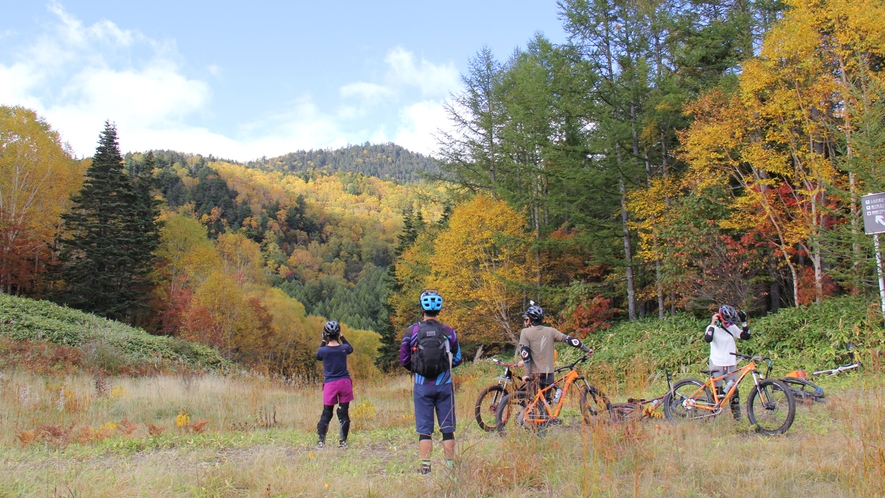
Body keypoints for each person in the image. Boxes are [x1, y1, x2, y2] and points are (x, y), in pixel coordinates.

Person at [399, 290, 462, 475]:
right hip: (445, 384)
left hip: (422, 386)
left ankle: (426, 468)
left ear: (422, 308)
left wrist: (418, 368)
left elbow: (404, 360)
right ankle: (450, 468)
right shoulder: (448, 331)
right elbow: (457, 358)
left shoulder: (412, 331)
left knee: (424, 429)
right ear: (439, 309)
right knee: (448, 427)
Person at [516, 302, 593, 399]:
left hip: (534, 374)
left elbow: (525, 354)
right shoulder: (551, 331)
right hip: (549, 374)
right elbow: (570, 340)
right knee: (546, 401)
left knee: (535, 402)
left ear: (529, 320)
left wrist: (526, 374)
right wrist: (586, 349)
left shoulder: (525, 332)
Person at [703, 304, 751, 420]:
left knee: (733, 390)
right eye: (727, 323)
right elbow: (707, 339)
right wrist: (713, 323)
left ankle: (737, 417)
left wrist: (744, 323)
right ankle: (713, 416)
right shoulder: (713, 328)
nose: (729, 325)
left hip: (730, 364)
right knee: (717, 392)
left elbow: (745, 336)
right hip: (717, 363)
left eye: (731, 323)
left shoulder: (732, 328)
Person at [315, 320, 353, 448]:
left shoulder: (324, 351)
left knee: (327, 412)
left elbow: (318, 356)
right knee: (343, 412)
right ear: (338, 334)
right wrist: (342, 337)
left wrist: (323, 341)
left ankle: (321, 441)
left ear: (325, 335)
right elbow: (350, 348)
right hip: (345, 383)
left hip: (330, 384)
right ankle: (343, 441)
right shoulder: (344, 348)